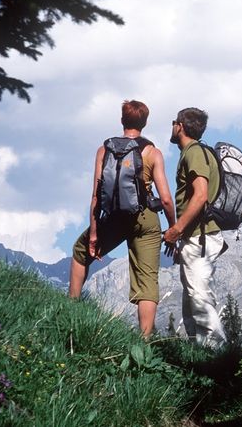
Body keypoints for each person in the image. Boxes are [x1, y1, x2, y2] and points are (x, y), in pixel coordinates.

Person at [69, 100, 176, 337]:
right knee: (147, 281)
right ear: (145, 123)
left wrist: (94, 234)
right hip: (145, 218)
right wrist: (173, 229)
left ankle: (71, 308)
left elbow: (96, 196)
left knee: (80, 252)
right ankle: (144, 342)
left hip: (114, 216)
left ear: (122, 121)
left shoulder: (104, 150)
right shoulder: (152, 153)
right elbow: (166, 199)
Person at [164, 107, 227, 348]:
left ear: (180, 125)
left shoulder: (194, 154)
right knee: (191, 299)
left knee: (199, 297)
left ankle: (217, 354)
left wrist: (176, 230)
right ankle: (197, 355)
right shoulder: (199, 152)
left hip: (200, 238)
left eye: (173, 122)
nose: (172, 126)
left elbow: (200, 196)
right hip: (198, 236)